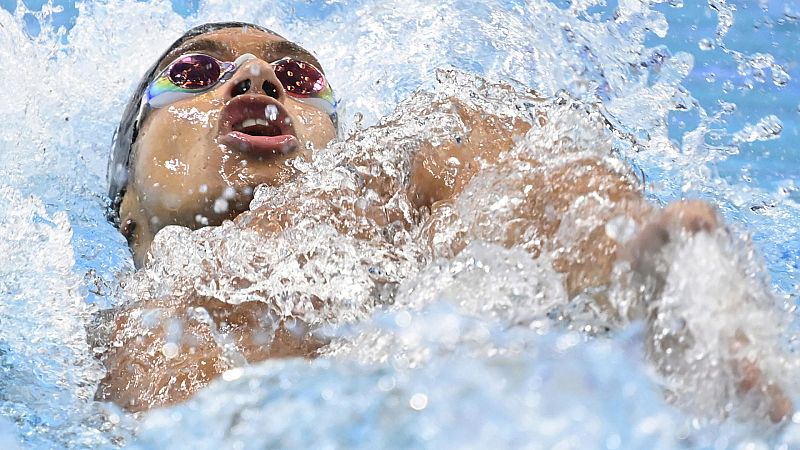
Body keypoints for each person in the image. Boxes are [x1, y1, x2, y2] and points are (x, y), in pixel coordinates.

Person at [98, 22, 792, 422]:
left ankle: (633, 266)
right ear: (126, 204)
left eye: (302, 81)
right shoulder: (126, 331)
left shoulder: (385, 192)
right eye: (194, 72)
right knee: (155, 327)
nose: (254, 75)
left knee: (448, 128)